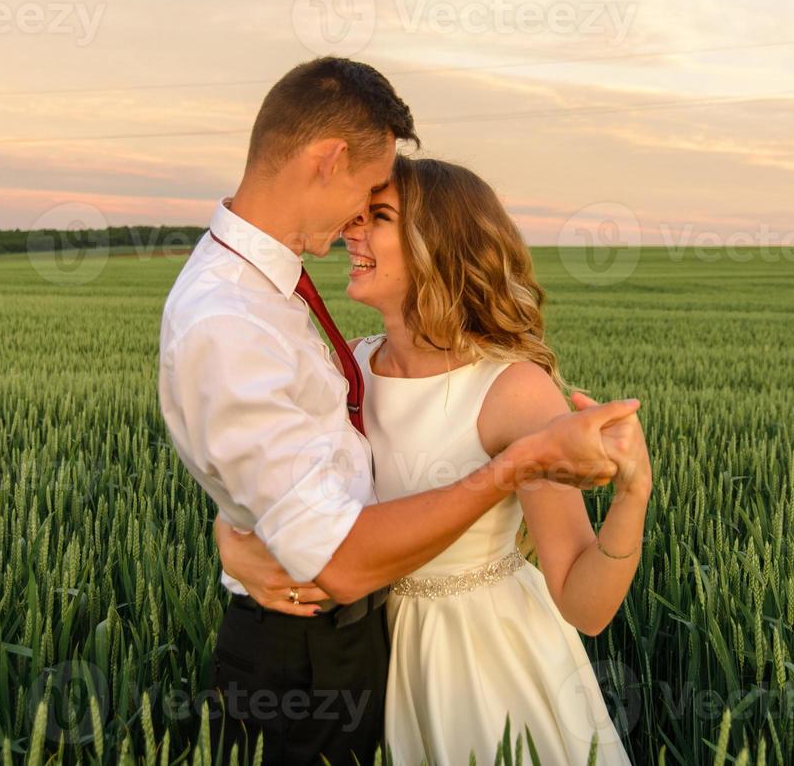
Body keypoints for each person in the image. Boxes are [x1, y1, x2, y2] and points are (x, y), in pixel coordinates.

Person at [156, 58, 644, 765]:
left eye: (379, 215)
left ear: (438, 247)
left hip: (490, 670)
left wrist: (633, 495)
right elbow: (284, 479)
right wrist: (235, 533)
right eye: (363, 201)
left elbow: (584, 604)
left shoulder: (511, 390)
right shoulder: (346, 363)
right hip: (382, 660)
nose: (355, 224)